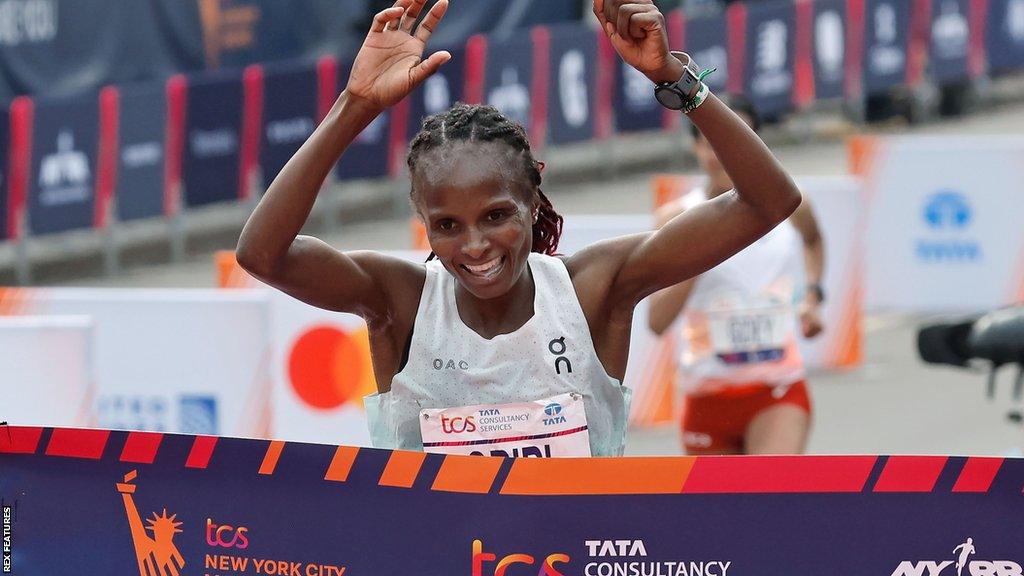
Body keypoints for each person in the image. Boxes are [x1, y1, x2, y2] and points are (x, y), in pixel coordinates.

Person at [236, 0, 801, 457]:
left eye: (497, 216)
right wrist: (355, 107)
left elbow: (767, 202)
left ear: (534, 202)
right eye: (447, 225)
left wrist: (676, 80)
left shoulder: (591, 291)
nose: (475, 246)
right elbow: (263, 254)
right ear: (423, 223)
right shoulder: (401, 302)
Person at [647, 95, 826, 455]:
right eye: (710, 143)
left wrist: (812, 295)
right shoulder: (676, 219)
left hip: (776, 389)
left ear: (756, 145)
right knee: (721, 513)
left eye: (737, 139)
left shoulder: (791, 203)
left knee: (768, 501)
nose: (723, 154)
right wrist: (696, 256)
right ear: (696, 148)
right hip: (706, 393)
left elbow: (813, 240)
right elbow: (657, 321)